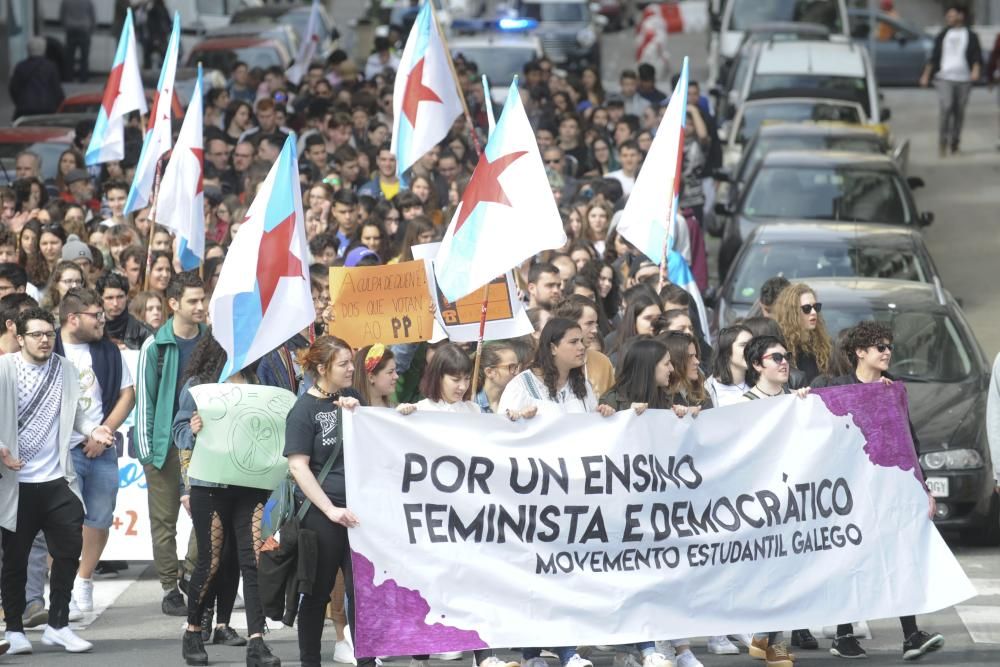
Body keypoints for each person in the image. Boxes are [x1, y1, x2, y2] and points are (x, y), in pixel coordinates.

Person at [813, 321, 944, 661]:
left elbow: (908, 442)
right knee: (852, 559)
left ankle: (911, 635)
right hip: (851, 493)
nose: (887, 352)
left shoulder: (891, 391)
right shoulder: (836, 388)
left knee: (901, 555)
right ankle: (843, 635)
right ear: (860, 352)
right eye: (880, 347)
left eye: (889, 347)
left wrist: (923, 486)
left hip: (889, 489)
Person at [0, 306, 115, 655]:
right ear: (19, 338)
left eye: (48, 333)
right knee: (15, 560)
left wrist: (92, 429)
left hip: (57, 480)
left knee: (68, 552)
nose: (44, 339)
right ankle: (15, 629)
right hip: (16, 484)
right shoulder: (4, 369)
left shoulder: (65, 369)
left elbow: (77, 415)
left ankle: (58, 625)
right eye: (35, 334)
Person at [173, 334, 280, 667]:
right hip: (210, 484)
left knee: (253, 559)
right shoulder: (198, 385)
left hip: (250, 483)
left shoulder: (254, 381)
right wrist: (192, 428)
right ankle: (193, 629)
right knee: (212, 559)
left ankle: (257, 641)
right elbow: (178, 431)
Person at [282, 336, 376, 667]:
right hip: (322, 517)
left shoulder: (352, 397)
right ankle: (310, 660)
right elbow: (298, 466)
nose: (352, 368)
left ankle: (367, 658)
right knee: (317, 592)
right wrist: (330, 509)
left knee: (362, 593)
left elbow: (375, 444)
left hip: (358, 514)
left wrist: (359, 414)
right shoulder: (303, 410)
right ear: (322, 369)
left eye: (352, 362)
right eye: (344, 364)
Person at [54, 289, 135, 617]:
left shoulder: (108, 351)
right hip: (58, 449)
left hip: (101, 448)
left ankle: (84, 579)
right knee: (61, 522)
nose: (103, 320)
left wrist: (103, 435)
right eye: (95, 315)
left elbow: (126, 395)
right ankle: (63, 585)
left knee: (99, 517)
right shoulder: (49, 347)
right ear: (73, 318)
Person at [135, 273, 208, 616]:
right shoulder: (156, 345)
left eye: (202, 299)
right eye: (193, 301)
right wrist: (149, 454)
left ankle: (191, 572)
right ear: (174, 304)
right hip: (164, 449)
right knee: (164, 521)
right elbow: (145, 402)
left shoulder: (212, 342)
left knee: (206, 516)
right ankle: (169, 588)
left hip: (204, 445)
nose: (200, 306)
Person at [920, 3, 983, 155]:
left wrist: (975, 70)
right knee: (946, 107)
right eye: (947, 16)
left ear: (960, 16)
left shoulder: (971, 35)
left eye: (952, 15)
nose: (949, 18)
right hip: (944, 78)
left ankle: (955, 142)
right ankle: (942, 141)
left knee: (959, 112)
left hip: (964, 79)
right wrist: (926, 75)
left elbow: (976, 56)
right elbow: (934, 57)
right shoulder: (942, 35)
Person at [552, 296, 615, 397]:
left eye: (596, 324)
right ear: (569, 324)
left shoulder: (602, 362)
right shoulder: (545, 364)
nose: (595, 330)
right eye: (589, 323)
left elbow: (613, 402)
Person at [773, 283, 832, 385]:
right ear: (792, 313)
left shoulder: (824, 345)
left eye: (816, 307)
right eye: (807, 308)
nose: (813, 312)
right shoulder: (780, 346)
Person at [9, 37, 65, 120]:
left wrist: (21, 102)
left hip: (25, 109)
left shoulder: (20, 66)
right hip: (47, 109)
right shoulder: (50, 66)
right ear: (43, 49)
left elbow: (13, 88)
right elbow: (56, 90)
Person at [97, 272, 152, 350]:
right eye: (109, 298)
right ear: (100, 299)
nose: (115, 303)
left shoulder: (143, 332)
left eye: (120, 297)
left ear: (127, 297)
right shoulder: (92, 330)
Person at [661, 332, 711, 416]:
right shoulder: (659, 397)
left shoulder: (700, 392)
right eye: (689, 357)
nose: (697, 362)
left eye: (695, 356)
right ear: (674, 360)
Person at [705, 325, 753, 407]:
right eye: (743, 345)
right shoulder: (708, 389)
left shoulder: (761, 381)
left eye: (753, 345)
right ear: (727, 350)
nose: (751, 350)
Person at [475, 341, 521, 414]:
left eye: (516, 367)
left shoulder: (517, 399)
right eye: (511, 367)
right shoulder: (472, 405)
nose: (517, 373)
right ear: (489, 372)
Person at [59, 0, 95, 82]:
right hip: (84, 30)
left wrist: (65, 26)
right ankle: (83, 79)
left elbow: (61, 15)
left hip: (70, 30)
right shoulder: (87, 2)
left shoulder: (66, 2)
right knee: (84, 57)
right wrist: (91, 29)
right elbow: (93, 16)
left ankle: (69, 78)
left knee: (69, 57)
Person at [353, 343, 398, 408]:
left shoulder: (397, 410)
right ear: (371, 377)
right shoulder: (352, 412)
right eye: (390, 372)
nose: (396, 376)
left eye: (395, 371)